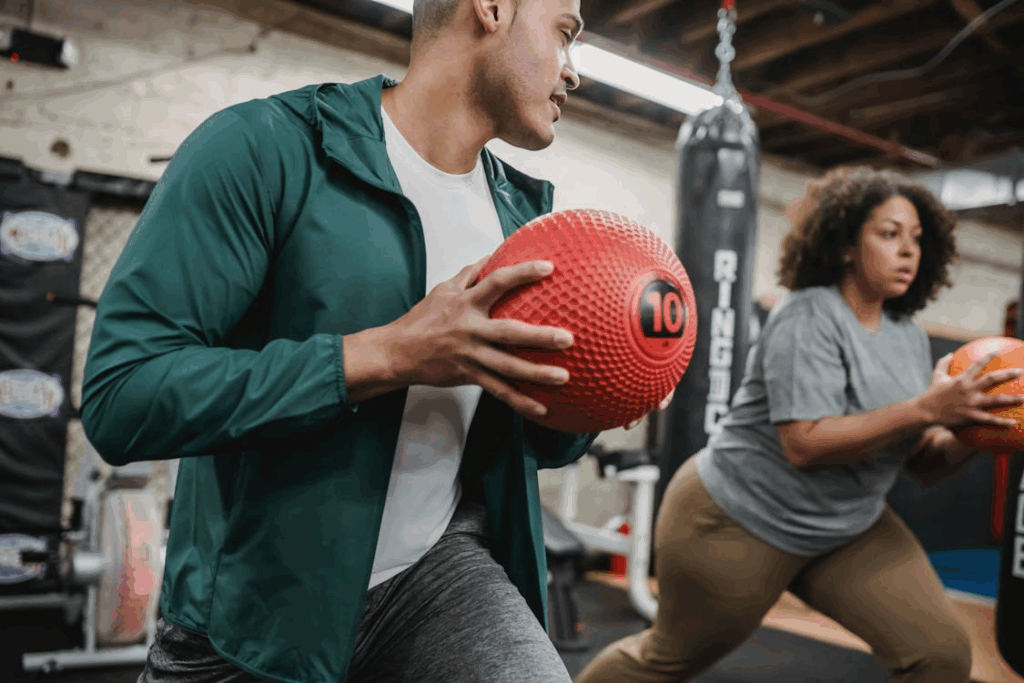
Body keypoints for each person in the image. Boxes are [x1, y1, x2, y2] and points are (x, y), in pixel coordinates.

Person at [80, 1, 672, 681]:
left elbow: (526, 441)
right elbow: (121, 395)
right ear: (493, 7)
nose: (573, 73)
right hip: (256, 602)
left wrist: (594, 396)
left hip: (435, 574)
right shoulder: (265, 147)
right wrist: (382, 356)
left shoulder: (525, 224)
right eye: (566, 33)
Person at [574, 166, 1024, 683]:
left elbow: (921, 462)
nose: (907, 250)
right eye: (889, 233)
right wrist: (927, 410)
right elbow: (805, 444)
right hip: (738, 518)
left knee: (941, 656)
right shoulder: (807, 316)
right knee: (665, 660)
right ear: (847, 245)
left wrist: (977, 429)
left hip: (847, 528)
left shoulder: (907, 337)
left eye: (917, 239)